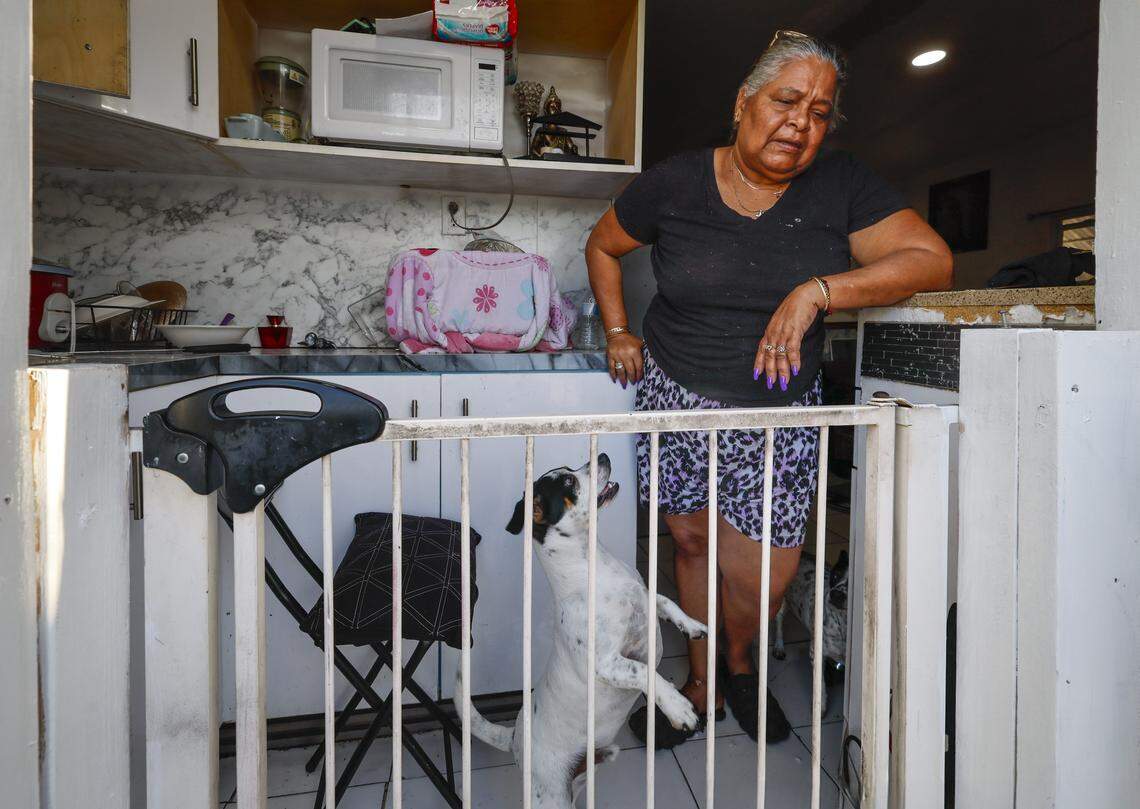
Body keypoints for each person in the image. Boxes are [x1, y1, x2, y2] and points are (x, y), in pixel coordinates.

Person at [584, 30, 952, 748]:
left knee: (765, 576)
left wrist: (818, 290)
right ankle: (699, 680)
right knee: (692, 546)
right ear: (743, 102)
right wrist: (618, 330)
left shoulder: (841, 185)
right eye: (787, 100)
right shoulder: (675, 181)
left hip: (781, 413)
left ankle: (742, 664)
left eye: (819, 111)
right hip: (678, 392)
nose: (801, 122)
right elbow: (602, 244)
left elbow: (930, 259)